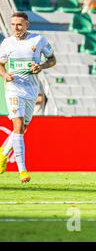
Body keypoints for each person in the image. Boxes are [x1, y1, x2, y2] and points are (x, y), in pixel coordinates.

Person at [0, 12, 57, 183]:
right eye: (13, 25)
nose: (15, 28)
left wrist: (41, 66)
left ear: (27, 25)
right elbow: (0, 64)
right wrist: (4, 75)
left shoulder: (38, 40)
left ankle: (3, 154)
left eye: (19, 24)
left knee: (23, 127)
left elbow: (52, 60)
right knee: (17, 124)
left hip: (31, 90)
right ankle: (22, 169)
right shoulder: (7, 43)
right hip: (13, 88)